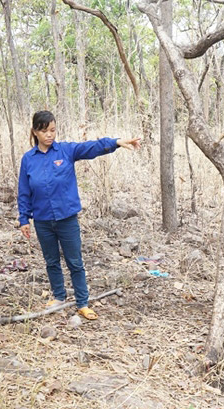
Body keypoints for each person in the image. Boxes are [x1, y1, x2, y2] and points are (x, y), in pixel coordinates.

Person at [18, 110, 140, 320]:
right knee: (51, 261)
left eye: (53, 130)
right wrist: (23, 218)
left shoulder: (65, 151)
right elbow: (24, 191)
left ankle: (82, 302)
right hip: (43, 220)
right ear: (35, 132)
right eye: (45, 131)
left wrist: (117, 142)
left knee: (75, 261)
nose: (50, 135)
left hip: (67, 218)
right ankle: (58, 296)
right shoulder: (28, 159)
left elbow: (91, 147)